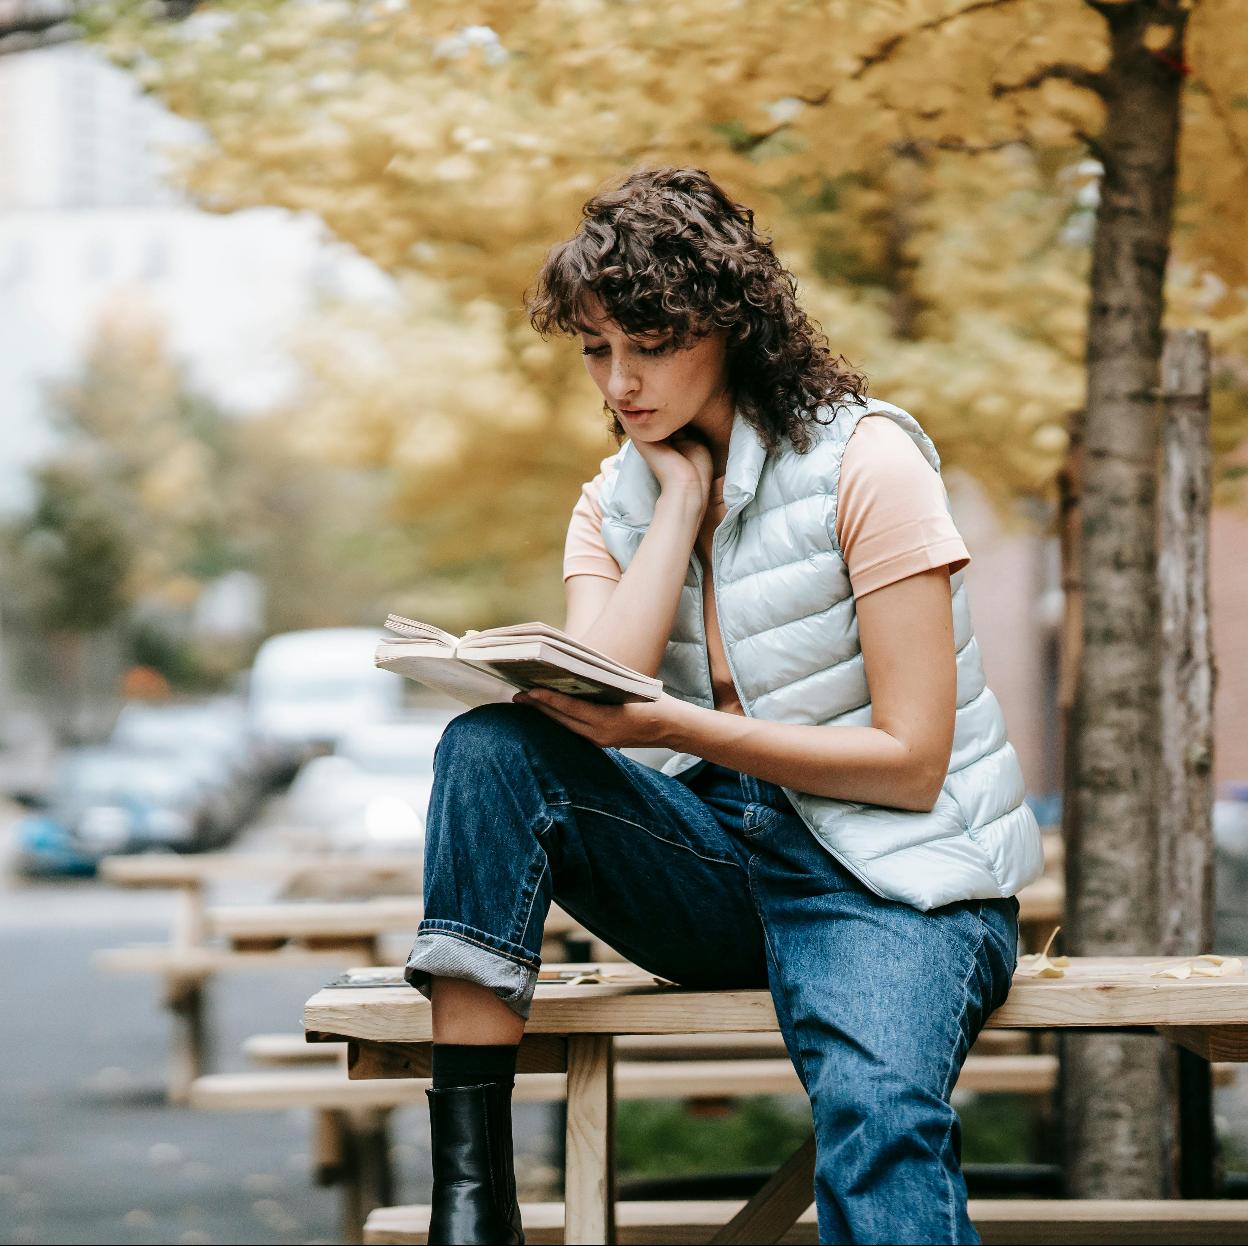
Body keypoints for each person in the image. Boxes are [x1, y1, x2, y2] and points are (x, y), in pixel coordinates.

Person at [405, 166, 1044, 1245]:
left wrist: (671, 727)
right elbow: (598, 676)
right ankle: (473, 1205)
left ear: (732, 329)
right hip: (723, 864)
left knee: (879, 1113)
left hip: (893, 875)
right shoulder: (616, 498)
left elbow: (913, 760)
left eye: (651, 346)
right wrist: (679, 500)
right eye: (598, 351)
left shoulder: (866, 462)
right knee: (489, 747)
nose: (621, 383)